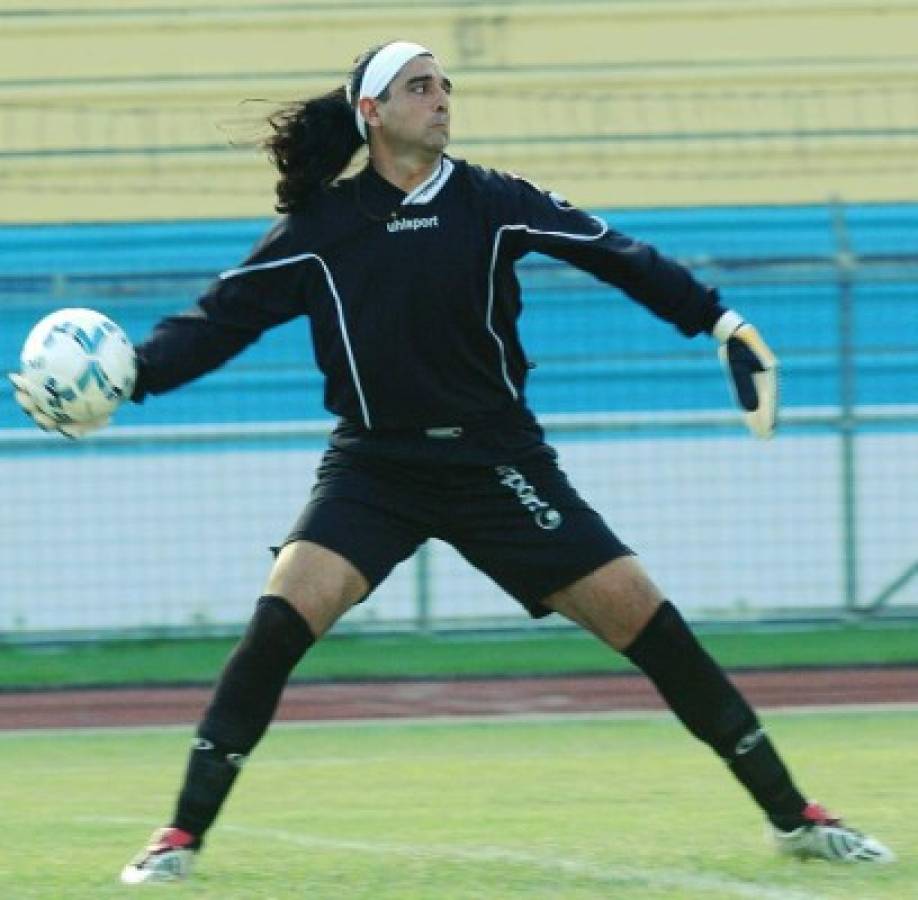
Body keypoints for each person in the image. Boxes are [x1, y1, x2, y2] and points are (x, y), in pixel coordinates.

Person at [10, 40, 894, 882]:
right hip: (372, 470)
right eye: (421, 87)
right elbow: (217, 321)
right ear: (372, 111)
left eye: (445, 87)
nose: (441, 101)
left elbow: (614, 253)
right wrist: (130, 379)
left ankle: (798, 820)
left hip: (497, 462)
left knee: (650, 625)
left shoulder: (492, 198)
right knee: (277, 623)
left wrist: (718, 319)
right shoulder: (323, 227)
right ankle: (177, 837)